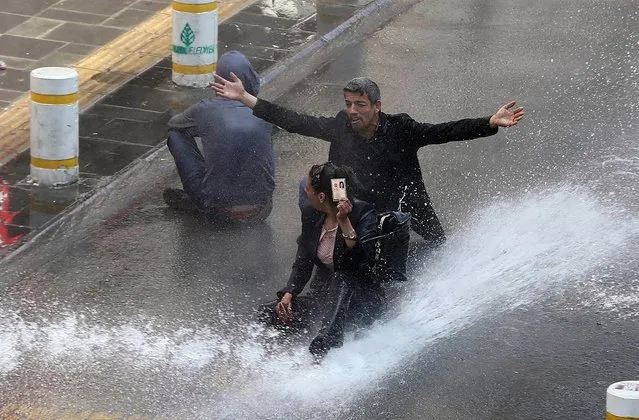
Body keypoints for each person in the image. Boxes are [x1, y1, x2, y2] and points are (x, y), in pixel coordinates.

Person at [211, 75, 524, 245]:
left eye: (359, 105)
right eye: (348, 104)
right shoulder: (340, 126)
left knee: (437, 243)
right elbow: (295, 121)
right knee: (325, 218)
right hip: (352, 198)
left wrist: (489, 122)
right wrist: (244, 97)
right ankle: (321, 248)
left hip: (403, 199)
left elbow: (443, 131)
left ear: (377, 106)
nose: (352, 111)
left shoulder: (401, 128)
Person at [260, 162, 382, 359]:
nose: (305, 191)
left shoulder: (363, 213)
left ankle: (328, 341)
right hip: (324, 300)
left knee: (341, 278)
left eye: (309, 187)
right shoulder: (311, 214)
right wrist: (289, 292)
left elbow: (361, 260)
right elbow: (304, 259)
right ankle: (276, 358)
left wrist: (344, 221)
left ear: (322, 196)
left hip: (358, 300)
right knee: (269, 312)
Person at [163, 51, 275, 223]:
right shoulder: (264, 110)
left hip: (220, 213)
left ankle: (201, 199)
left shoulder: (205, 110)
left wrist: (207, 127)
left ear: (218, 81)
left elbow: (174, 124)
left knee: (175, 135)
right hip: (262, 208)